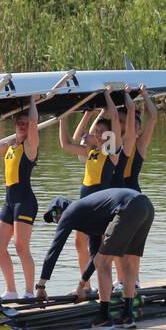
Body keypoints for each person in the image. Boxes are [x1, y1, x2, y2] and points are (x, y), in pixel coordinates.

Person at [34, 187, 156, 330]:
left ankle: (103, 319)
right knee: (126, 261)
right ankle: (127, 317)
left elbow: (54, 250)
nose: (56, 219)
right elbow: (94, 256)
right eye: (52, 219)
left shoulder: (70, 211)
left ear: (62, 207)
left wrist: (41, 286)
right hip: (145, 206)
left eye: (54, 213)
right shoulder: (91, 216)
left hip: (129, 205)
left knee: (103, 262)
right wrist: (81, 286)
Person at [57, 87, 123, 275]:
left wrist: (108, 97)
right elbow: (66, 144)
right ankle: (86, 284)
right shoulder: (89, 151)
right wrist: (63, 119)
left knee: (99, 244)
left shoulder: (111, 153)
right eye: (97, 131)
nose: (99, 133)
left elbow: (116, 120)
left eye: (103, 131)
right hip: (84, 198)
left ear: (109, 135)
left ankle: (101, 281)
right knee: (80, 241)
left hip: (100, 202)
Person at [0, 97, 39, 301]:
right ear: (15, 126)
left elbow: (33, 122)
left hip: (25, 201)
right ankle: (11, 290)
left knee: (21, 247)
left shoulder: (30, 147)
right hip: (9, 201)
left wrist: (32, 100)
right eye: (19, 123)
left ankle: (29, 293)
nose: (23, 126)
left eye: (25, 123)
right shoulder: (9, 146)